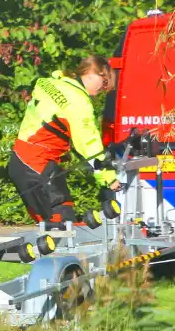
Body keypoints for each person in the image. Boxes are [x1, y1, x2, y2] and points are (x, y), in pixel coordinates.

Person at [9, 56, 122, 229]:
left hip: (19, 161)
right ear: (91, 74)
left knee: (48, 230)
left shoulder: (51, 83)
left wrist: (62, 149)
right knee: (64, 227)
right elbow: (89, 145)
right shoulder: (79, 102)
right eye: (104, 80)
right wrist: (109, 179)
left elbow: (46, 119)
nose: (104, 87)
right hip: (38, 168)